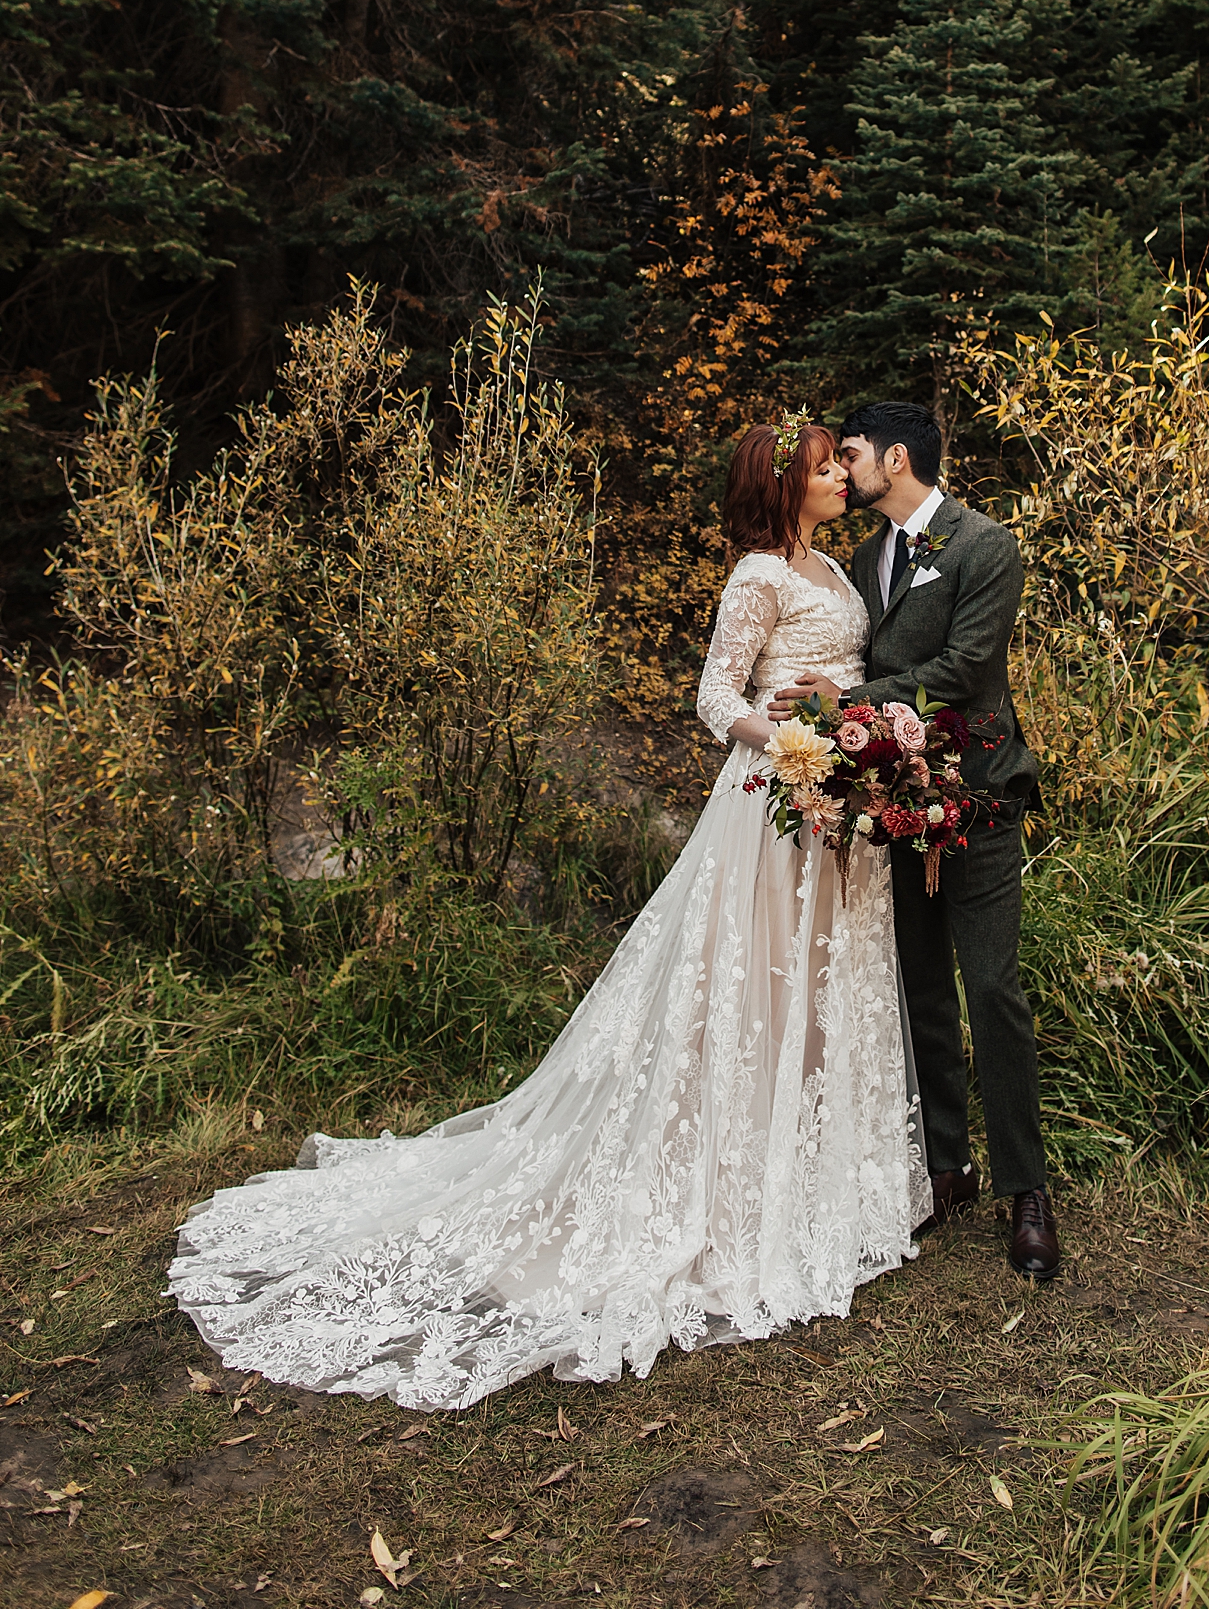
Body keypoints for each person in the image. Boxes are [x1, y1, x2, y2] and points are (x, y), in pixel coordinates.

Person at [169, 416, 930, 1412]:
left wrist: (866, 738)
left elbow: (850, 678)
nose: (840, 473)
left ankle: (819, 1178)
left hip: (837, 815)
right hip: (772, 802)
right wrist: (786, 735)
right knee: (755, 987)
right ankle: (722, 1193)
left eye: (841, 460)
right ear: (782, 483)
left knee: (822, 987)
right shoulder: (756, 576)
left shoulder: (836, 569)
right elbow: (712, 697)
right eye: (824, 464)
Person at [768, 401, 1058, 1282]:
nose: (842, 466)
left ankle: (1028, 1191)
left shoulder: (985, 547)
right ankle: (946, 1169)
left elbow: (966, 671)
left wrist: (841, 702)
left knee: (994, 992)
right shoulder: (864, 558)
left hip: (979, 796)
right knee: (922, 992)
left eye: (850, 454)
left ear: (895, 460)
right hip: (891, 798)